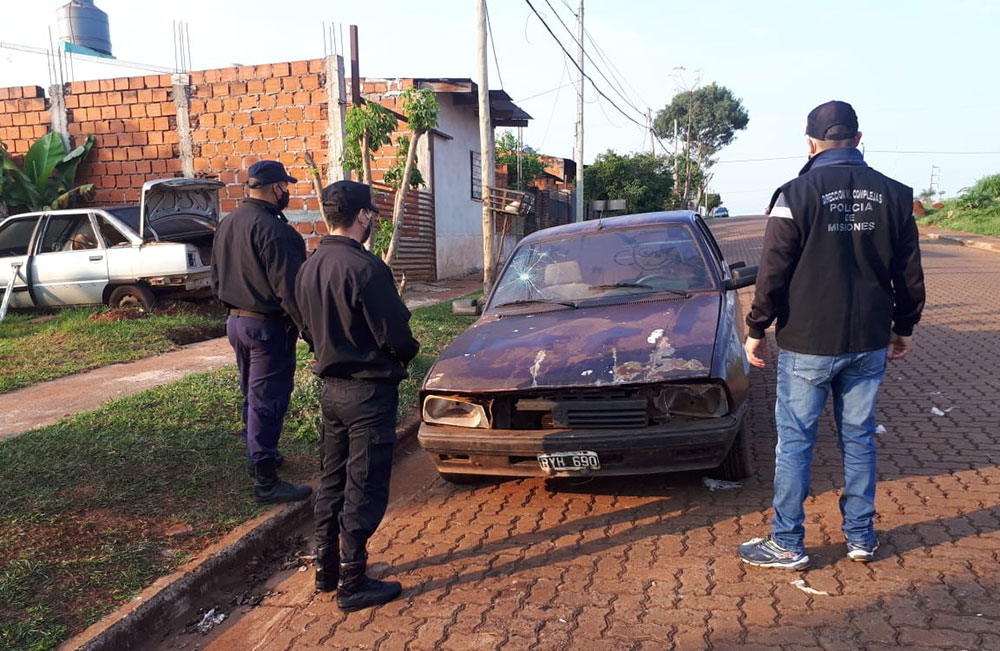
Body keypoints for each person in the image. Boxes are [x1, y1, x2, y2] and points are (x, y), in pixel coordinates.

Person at [738, 101, 925, 569]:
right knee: (858, 438)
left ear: (811, 143)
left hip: (808, 341)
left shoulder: (795, 194)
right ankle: (861, 537)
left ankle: (788, 542)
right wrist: (904, 326)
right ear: (859, 139)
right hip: (868, 338)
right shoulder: (896, 196)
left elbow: (774, 271)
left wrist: (756, 326)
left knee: (796, 441)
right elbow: (910, 272)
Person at [295, 180, 419, 611]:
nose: (373, 221)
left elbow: (306, 330)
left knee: (332, 481)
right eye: (372, 215)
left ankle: (326, 571)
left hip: (331, 391)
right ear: (363, 215)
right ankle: (352, 583)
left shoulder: (308, 267)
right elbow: (398, 338)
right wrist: (405, 353)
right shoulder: (366, 269)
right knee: (362, 486)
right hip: (368, 392)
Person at [211, 160, 312, 504]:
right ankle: (266, 479)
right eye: (287, 186)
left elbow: (215, 276)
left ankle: (258, 454)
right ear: (275, 188)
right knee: (268, 398)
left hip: (236, 323)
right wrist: (311, 332)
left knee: (252, 393)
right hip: (268, 327)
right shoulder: (277, 231)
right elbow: (291, 290)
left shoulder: (228, 223)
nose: (288, 192)